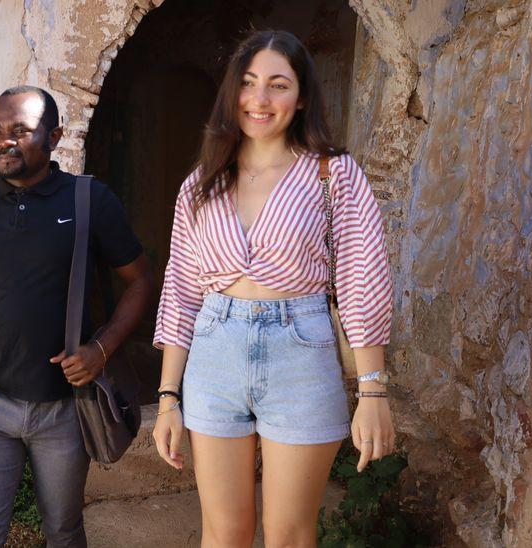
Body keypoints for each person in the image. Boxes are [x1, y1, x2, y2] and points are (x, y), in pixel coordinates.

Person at [150, 30, 395, 547]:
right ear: (232, 93)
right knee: (224, 533)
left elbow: (361, 280)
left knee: (288, 535)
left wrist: (372, 390)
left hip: (300, 352)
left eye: (278, 85)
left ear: (301, 96)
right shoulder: (201, 183)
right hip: (214, 354)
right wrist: (168, 397)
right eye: (249, 83)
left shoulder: (333, 174)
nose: (260, 100)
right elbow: (180, 293)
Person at [0, 85, 153, 548]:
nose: (5, 141)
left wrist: (101, 348)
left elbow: (139, 281)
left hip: (63, 407)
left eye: (21, 130)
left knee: (62, 531)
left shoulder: (88, 200)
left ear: (54, 137)